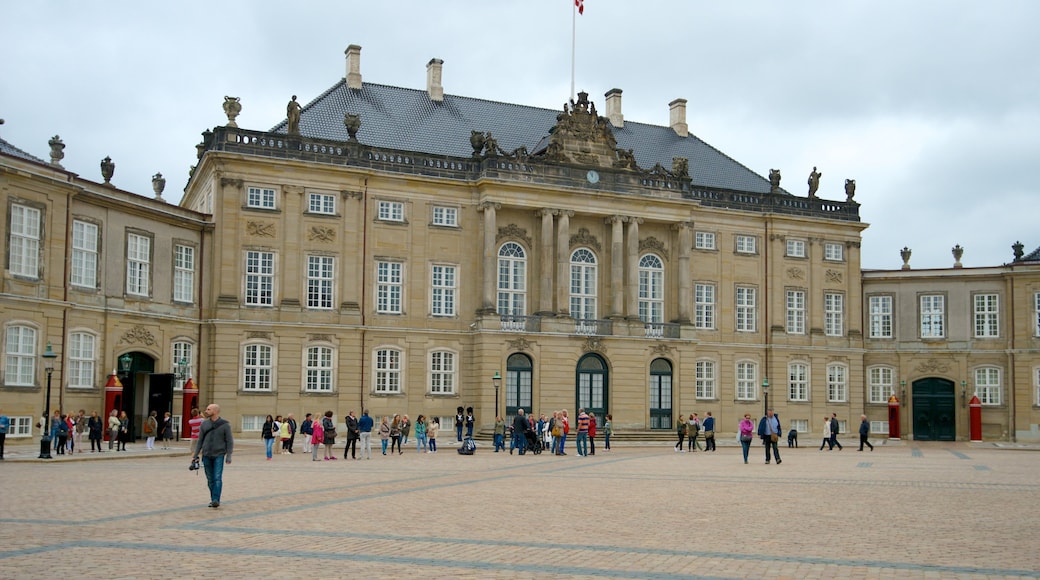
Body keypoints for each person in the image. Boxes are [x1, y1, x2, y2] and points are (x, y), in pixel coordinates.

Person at [193, 403, 233, 508]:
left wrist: (229, 455)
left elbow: (229, 441)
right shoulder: (204, 424)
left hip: (219, 454)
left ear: (215, 411)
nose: (206, 411)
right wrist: (195, 454)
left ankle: (216, 499)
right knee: (210, 479)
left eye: (208, 409)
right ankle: (213, 499)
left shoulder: (225, 424)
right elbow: (200, 440)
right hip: (206, 454)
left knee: (217, 477)